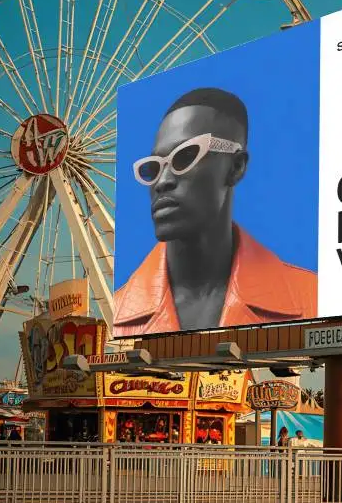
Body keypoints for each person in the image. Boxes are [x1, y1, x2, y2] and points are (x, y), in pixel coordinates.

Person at [114, 87, 318, 335]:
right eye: (152, 169)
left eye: (185, 156)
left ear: (236, 167)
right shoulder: (116, 315)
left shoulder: (313, 299)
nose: (162, 181)